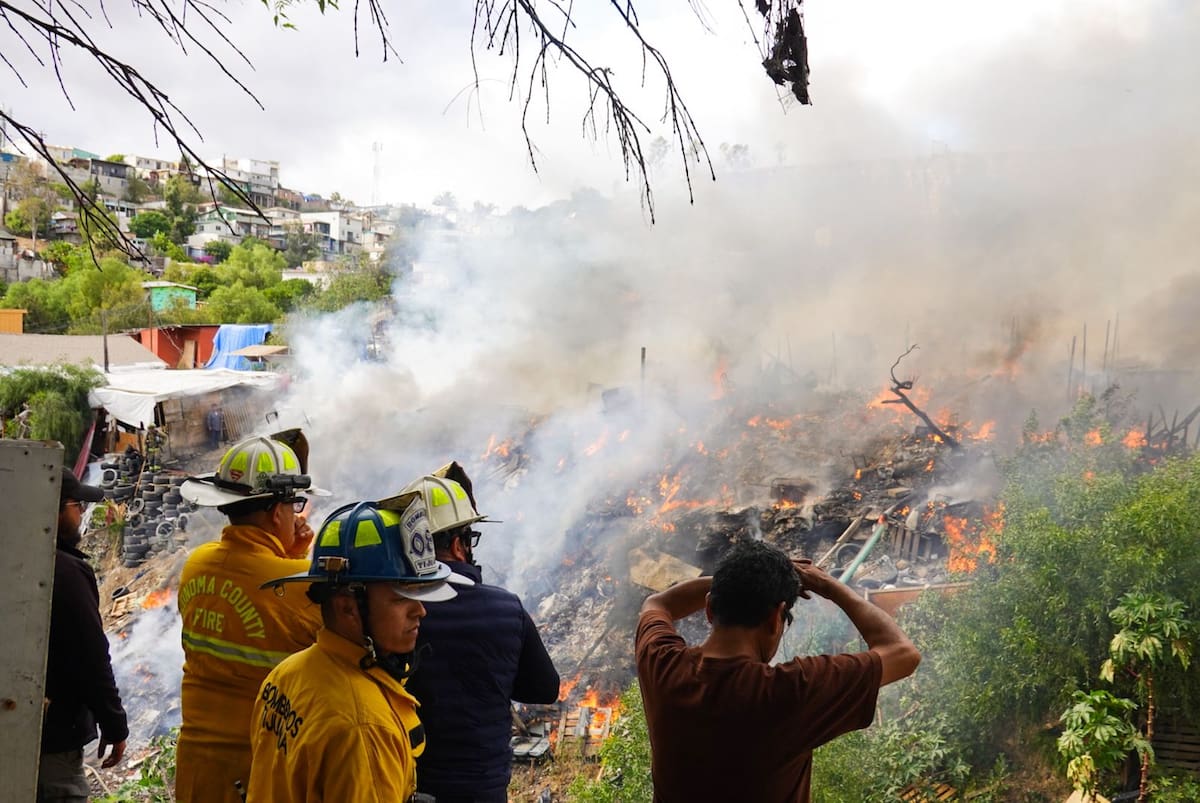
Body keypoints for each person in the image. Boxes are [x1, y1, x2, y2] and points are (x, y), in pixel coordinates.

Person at [635, 540, 921, 803]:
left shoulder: (661, 665)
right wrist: (829, 586)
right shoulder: (790, 692)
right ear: (775, 619)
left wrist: (735, 584)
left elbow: (657, 603)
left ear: (709, 608)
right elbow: (903, 653)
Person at [247, 499, 458, 802]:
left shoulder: (286, 674)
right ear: (348, 607)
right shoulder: (365, 728)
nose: (421, 611)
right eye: (402, 597)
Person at [174, 434, 325, 802]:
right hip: (259, 774)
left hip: (196, 770)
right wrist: (297, 558)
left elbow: (252, 581)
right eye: (294, 507)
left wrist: (288, 552)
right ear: (277, 513)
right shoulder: (302, 587)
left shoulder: (196, 565)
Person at [396, 467, 561, 803]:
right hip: (483, 789)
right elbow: (545, 688)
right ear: (458, 545)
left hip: (406, 785)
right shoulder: (505, 608)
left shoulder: (389, 609)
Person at [40, 468, 128, 802]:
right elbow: (90, 656)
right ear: (58, 509)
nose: (81, 515)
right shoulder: (65, 570)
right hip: (54, 738)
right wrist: (115, 723)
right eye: (77, 505)